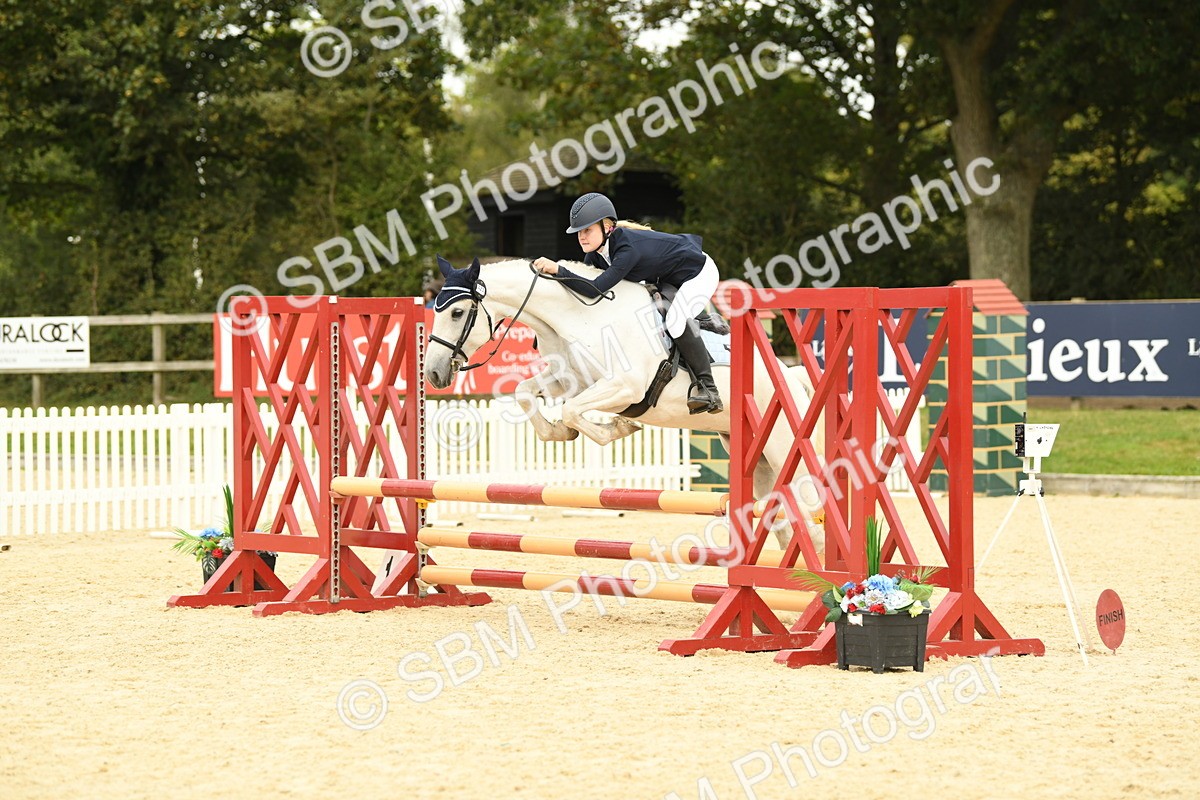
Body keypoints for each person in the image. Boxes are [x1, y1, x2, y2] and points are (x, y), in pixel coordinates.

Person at [531, 192, 722, 414]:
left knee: (676, 320)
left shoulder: (626, 249)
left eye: (587, 230)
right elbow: (583, 294)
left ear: (607, 227)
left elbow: (594, 290)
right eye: (579, 232)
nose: (581, 237)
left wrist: (558, 270)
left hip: (698, 273)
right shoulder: (595, 254)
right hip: (668, 276)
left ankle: (709, 389)